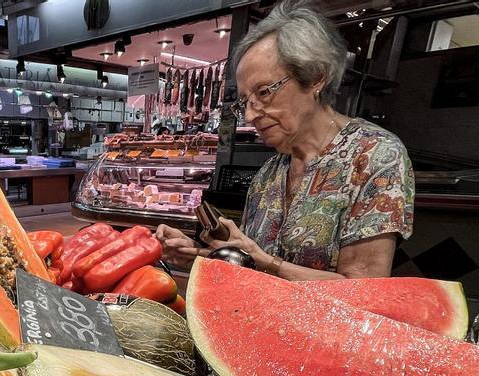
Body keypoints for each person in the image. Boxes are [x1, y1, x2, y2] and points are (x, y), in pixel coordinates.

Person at [157, 0, 414, 279]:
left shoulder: (374, 155)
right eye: (245, 102)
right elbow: (250, 267)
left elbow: (364, 289)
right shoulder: (270, 172)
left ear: (316, 77)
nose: (251, 115)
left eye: (264, 92)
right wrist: (194, 255)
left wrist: (264, 260)